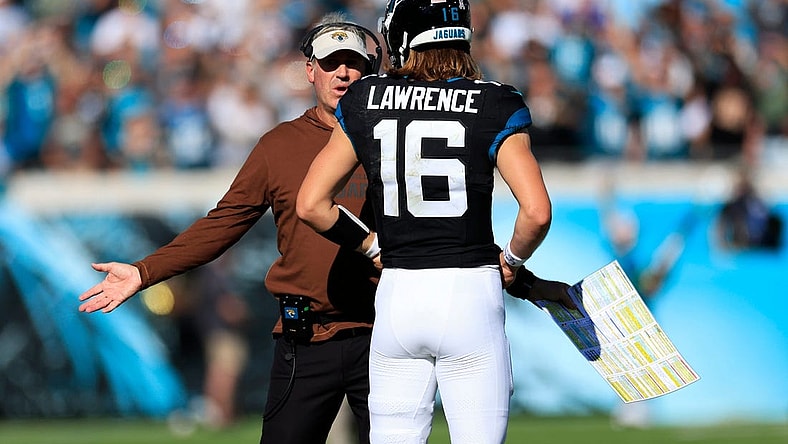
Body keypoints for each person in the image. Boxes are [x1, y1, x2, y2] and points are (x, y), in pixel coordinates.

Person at [78, 14, 384, 444]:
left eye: (353, 62)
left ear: (372, 71)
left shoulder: (396, 138)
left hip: (385, 333)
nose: (343, 73)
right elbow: (223, 224)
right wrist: (145, 272)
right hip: (308, 336)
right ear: (310, 70)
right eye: (332, 62)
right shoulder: (280, 145)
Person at [296, 1, 575, 442]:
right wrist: (514, 261)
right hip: (469, 295)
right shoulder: (495, 101)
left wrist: (371, 247)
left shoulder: (365, 99)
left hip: (398, 298)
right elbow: (537, 212)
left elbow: (311, 203)